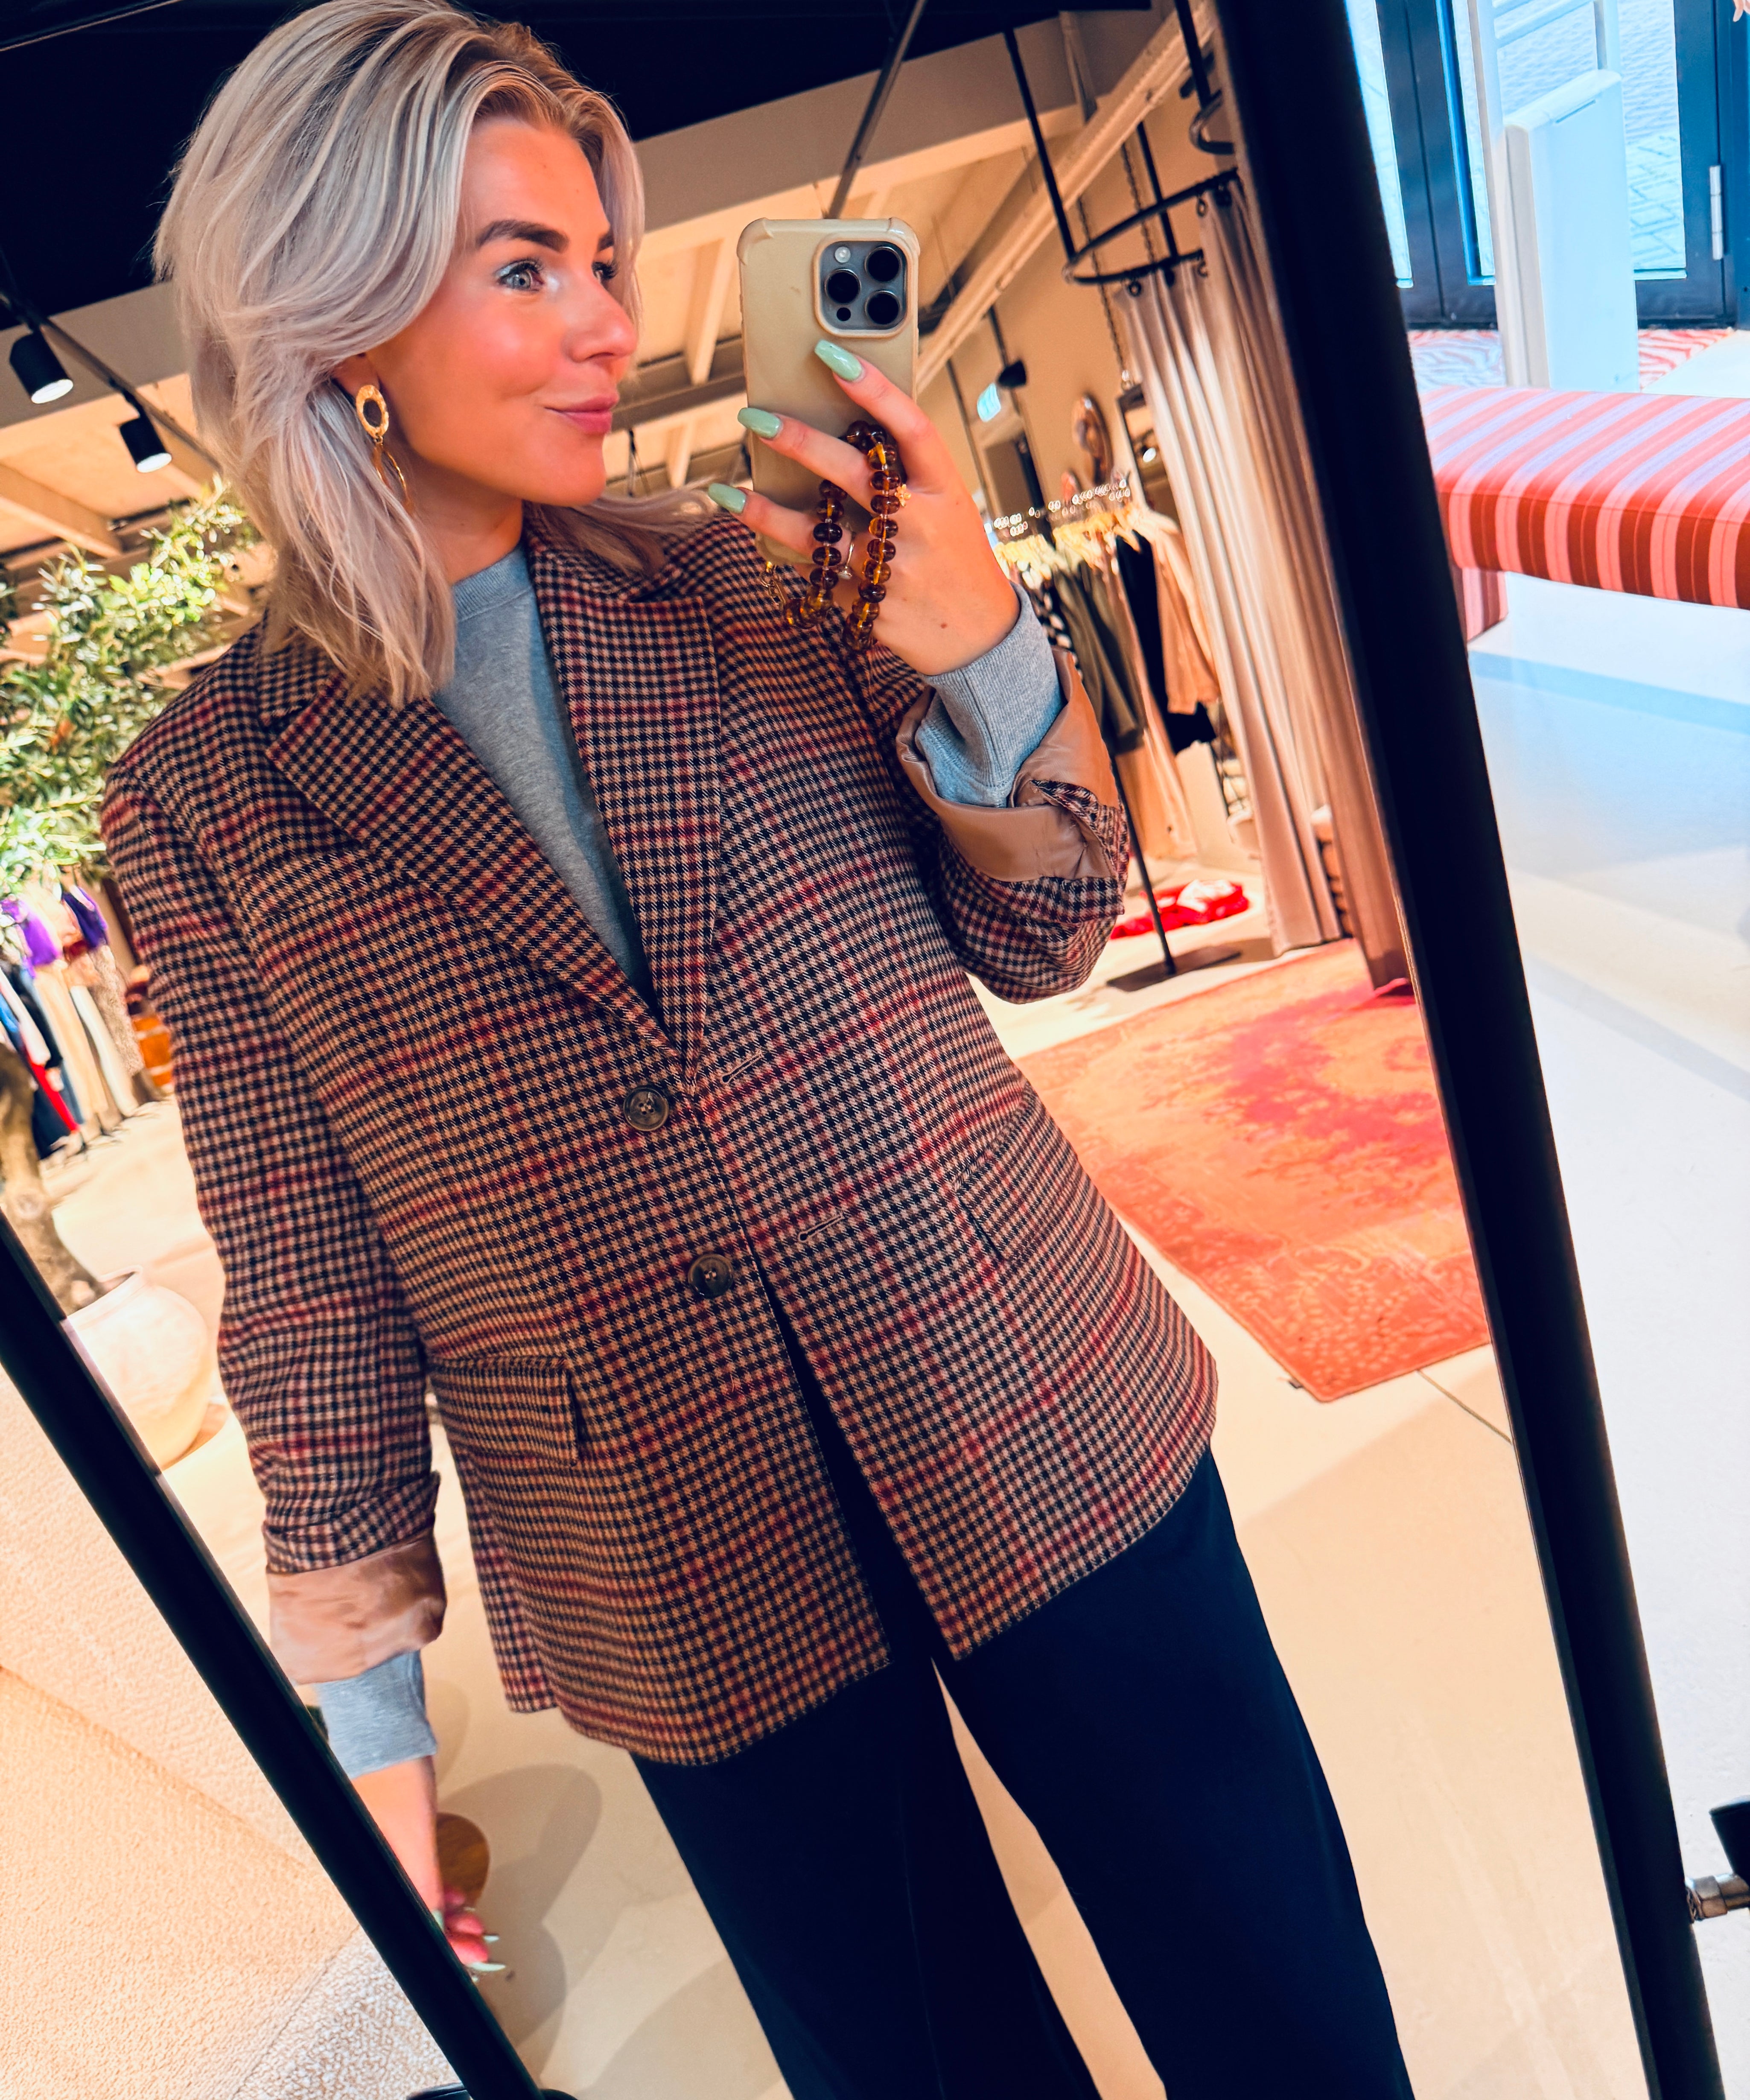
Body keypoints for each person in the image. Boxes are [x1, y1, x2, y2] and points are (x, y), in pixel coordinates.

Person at [104, 4, 1415, 2093]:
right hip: (660, 1533)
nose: (604, 324)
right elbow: (312, 1274)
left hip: (1017, 1377)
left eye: (601, 260)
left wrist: (981, 646)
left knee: (1274, 1986)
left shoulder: (754, 577)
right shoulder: (205, 795)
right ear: (334, 312)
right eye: (521, 266)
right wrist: (368, 1732)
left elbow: (1047, 932)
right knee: (912, 2060)